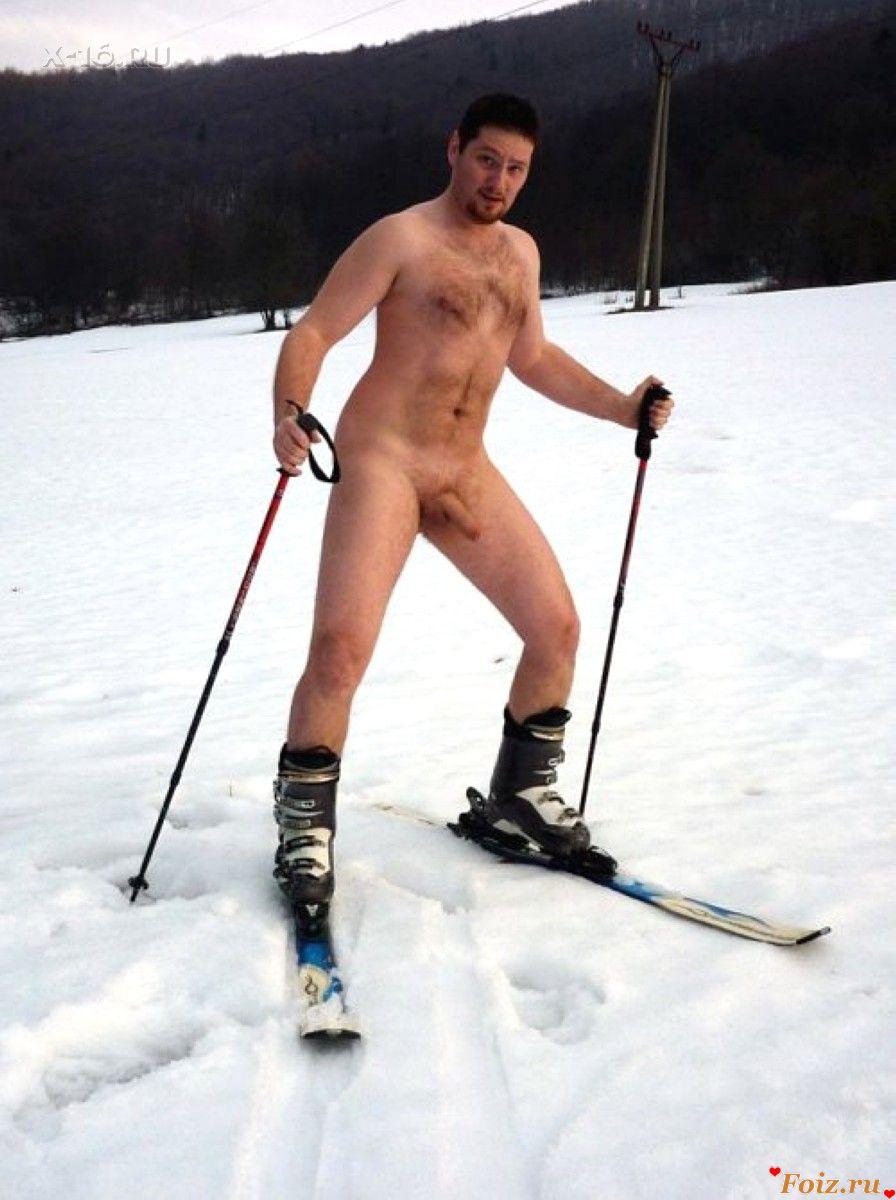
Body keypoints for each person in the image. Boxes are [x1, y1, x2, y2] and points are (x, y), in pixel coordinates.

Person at [270, 93, 674, 907]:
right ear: (455, 149)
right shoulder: (400, 238)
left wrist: (622, 408)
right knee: (340, 651)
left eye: (516, 168)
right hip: (383, 463)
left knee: (556, 629)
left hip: (463, 468)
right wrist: (290, 411)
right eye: (487, 159)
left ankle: (520, 796)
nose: (499, 180)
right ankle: (304, 827)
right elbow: (313, 331)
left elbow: (535, 359)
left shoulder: (520, 253)